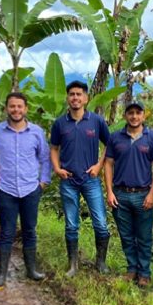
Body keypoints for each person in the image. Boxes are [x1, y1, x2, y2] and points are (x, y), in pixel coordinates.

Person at [0, 92, 51, 290]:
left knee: (30, 230)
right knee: (6, 232)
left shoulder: (36, 132)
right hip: (6, 189)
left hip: (31, 189)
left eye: (19, 106)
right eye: (12, 106)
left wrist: (44, 181)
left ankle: (31, 270)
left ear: (26, 109)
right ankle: (2, 274)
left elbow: (45, 158)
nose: (16, 110)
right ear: (6, 108)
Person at [50, 80, 111, 277]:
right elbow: (53, 148)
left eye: (79, 94)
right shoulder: (60, 123)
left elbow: (110, 145)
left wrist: (99, 165)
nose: (75, 98)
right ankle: (73, 265)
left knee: (100, 222)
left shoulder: (97, 121)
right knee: (71, 224)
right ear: (68, 98)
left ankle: (100, 262)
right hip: (68, 180)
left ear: (86, 98)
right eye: (72, 94)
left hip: (90, 179)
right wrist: (57, 168)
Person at [104, 102, 153, 287]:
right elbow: (108, 163)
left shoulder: (152, 137)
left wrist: (152, 193)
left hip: (142, 194)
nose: (134, 116)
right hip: (120, 194)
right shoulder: (116, 137)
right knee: (126, 235)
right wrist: (109, 191)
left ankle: (144, 273)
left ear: (143, 116)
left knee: (144, 236)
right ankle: (132, 269)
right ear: (125, 116)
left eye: (138, 113)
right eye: (130, 113)